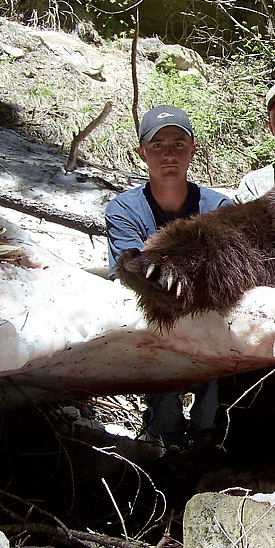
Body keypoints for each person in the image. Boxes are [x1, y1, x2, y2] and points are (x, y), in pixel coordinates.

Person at [105, 105, 232, 447]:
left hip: (211, 328)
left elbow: (224, 273)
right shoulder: (124, 209)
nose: (169, 155)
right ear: (141, 152)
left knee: (211, 420)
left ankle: (209, 442)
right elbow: (131, 273)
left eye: (178, 144)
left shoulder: (218, 207)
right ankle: (164, 443)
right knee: (163, 425)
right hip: (152, 327)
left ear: (192, 150)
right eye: (158, 145)